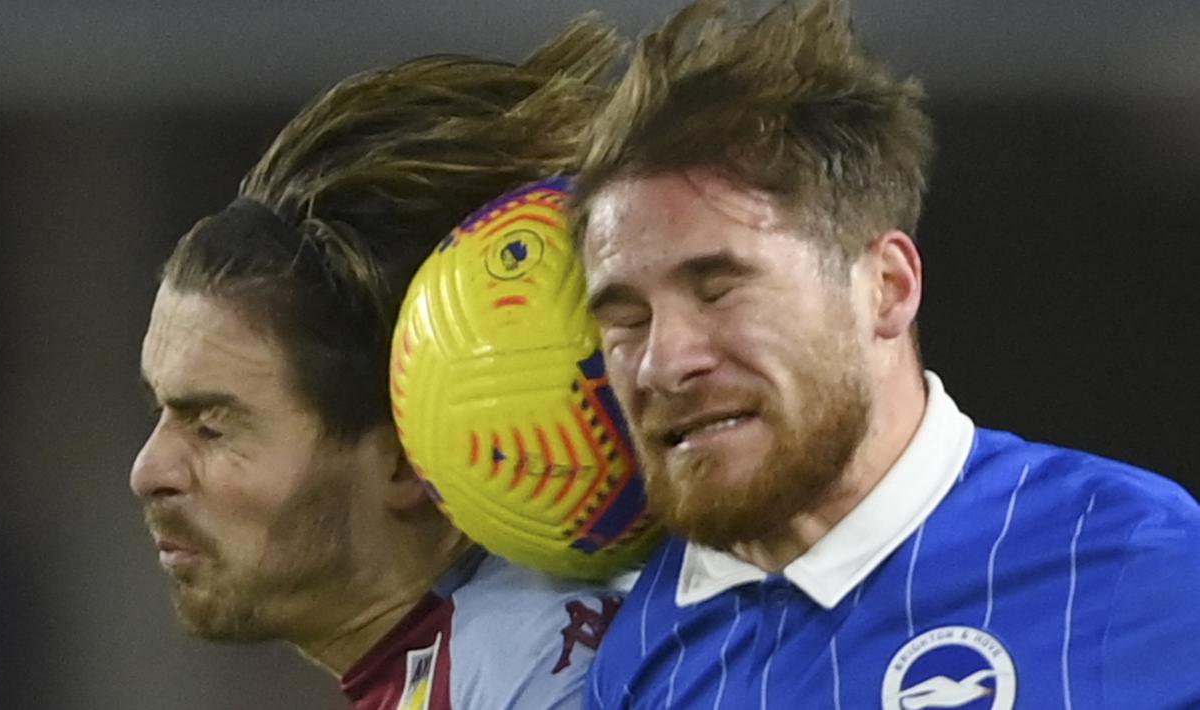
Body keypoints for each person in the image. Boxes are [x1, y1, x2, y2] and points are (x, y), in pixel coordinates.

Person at [570, 1, 1200, 708]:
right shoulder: (638, 655)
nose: (662, 362)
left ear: (886, 288)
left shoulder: (1138, 569)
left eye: (718, 291)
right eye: (626, 319)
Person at [130, 19, 625, 710]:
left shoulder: (525, 676)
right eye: (161, 411)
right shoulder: (463, 664)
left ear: (406, 460)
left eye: (213, 427)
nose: (149, 471)